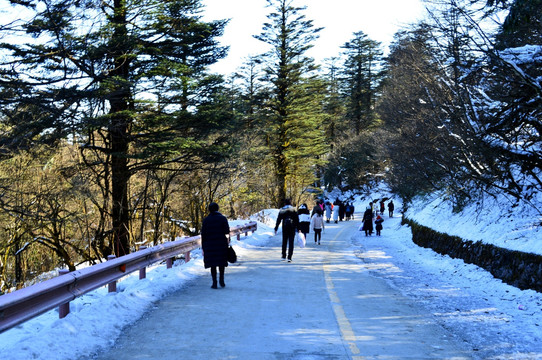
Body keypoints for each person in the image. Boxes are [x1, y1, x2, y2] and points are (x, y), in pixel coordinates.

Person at [201, 202, 230, 289]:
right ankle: (222, 281)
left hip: (210, 245)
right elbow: (226, 231)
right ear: (217, 209)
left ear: (209, 210)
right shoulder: (223, 219)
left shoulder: (206, 220)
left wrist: (203, 247)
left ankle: (214, 283)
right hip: (221, 244)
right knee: (221, 263)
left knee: (212, 264)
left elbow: (203, 234)